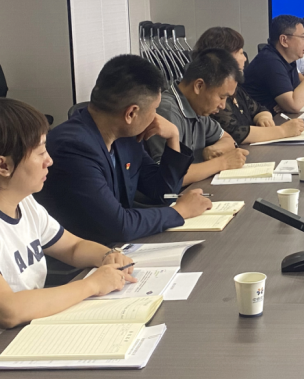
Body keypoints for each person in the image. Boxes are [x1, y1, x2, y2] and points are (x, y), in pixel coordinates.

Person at [36, 55, 211, 245]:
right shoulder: (73, 148)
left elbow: (162, 193)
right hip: (81, 254)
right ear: (131, 113)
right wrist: (180, 211)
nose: (156, 117)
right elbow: (119, 226)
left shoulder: (125, 137)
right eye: (154, 109)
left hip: (112, 247)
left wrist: (173, 137)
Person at [0, 99, 139, 328]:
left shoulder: (26, 203)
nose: (49, 160)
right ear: (4, 166)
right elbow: (9, 310)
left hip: (34, 325)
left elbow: (72, 247)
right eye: (40, 152)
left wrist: (107, 256)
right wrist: (92, 285)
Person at [148, 49, 249, 185]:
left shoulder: (198, 108)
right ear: (199, 86)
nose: (223, 106)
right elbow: (169, 177)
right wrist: (222, 162)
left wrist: (213, 149)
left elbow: (227, 139)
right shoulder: (166, 111)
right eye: (221, 97)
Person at [192, 27, 304, 145]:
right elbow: (235, 133)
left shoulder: (237, 90)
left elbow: (259, 108)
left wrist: (263, 117)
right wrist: (283, 131)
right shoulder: (213, 95)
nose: (245, 58)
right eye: (241, 53)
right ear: (223, 58)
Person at [244, 15, 304, 113]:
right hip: (259, 120)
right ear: (284, 40)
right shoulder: (270, 61)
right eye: (303, 37)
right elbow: (294, 105)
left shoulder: (289, 60)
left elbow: (297, 94)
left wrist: (288, 103)